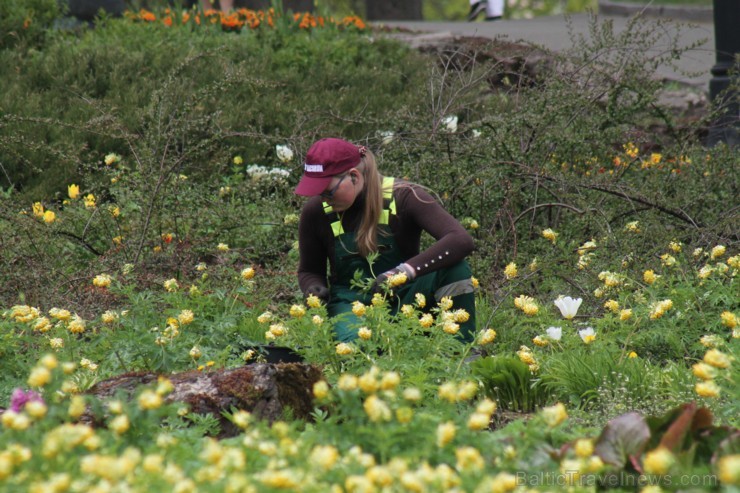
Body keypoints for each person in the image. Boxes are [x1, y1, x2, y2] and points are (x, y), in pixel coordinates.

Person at [295, 138, 477, 343]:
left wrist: (403, 273)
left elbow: (461, 240)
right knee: (358, 349)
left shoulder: (404, 197)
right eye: (318, 193)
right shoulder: (315, 211)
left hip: (407, 299)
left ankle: (460, 352)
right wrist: (313, 287)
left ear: (354, 177)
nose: (324, 199)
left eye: (328, 191)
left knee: (456, 269)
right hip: (351, 305)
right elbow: (309, 271)